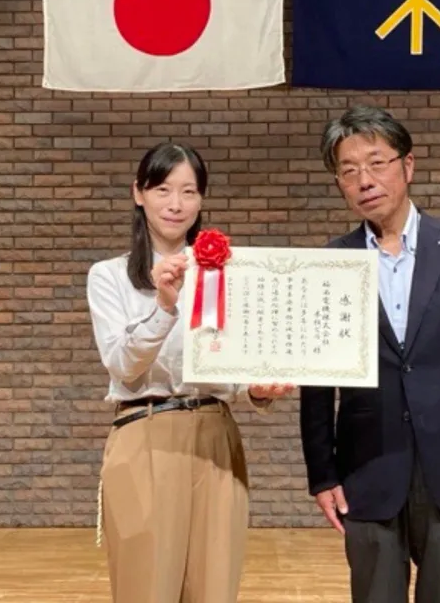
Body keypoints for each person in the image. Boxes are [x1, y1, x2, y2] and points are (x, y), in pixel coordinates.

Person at [299, 105, 440, 603]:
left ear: (408, 165)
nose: (365, 180)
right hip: (365, 467)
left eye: (376, 163)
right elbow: (316, 385)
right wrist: (322, 473)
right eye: (349, 170)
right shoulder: (330, 262)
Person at [87, 141, 293, 603]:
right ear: (138, 193)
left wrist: (260, 390)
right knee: (146, 588)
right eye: (162, 189)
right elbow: (123, 364)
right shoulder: (109, 276)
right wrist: (164, 307)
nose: (175, 204)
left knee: (214, 586)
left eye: (188, 191)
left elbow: (236, 370)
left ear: (201, 199)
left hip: (216, 436)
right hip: (145, 432)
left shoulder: (227, 274)